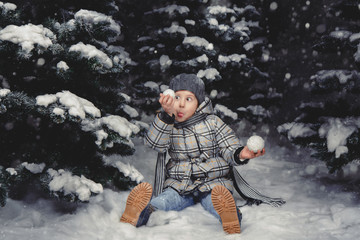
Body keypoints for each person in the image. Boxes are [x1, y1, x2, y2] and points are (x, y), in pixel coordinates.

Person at [120, 73, 284, 234]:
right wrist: (165, 116)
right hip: (181, 183)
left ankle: (231, 216)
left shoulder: (212, 122)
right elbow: (154, 143)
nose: (181, 105)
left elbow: (228, 145)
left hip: (213, 181)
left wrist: (242, 153)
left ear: (198, 102)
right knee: (165, 200)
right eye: (177, 98)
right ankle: (140, 213)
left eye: (188, 99)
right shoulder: (168, 123)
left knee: (215, 201)